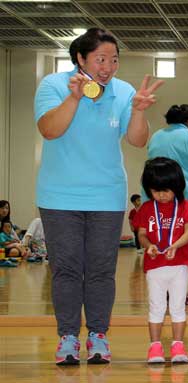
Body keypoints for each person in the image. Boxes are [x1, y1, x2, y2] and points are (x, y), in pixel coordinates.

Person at [34, 27, 164, 365]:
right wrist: (74, 97)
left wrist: (138, 110)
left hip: (106, 197)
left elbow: (137, 141)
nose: (107, 67)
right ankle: (66, 338)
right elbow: (50, 129)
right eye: (100, 59)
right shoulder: (52, 85)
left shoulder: (122, 91)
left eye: (114, 60)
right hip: (59, 197)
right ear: (81, 58)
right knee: (65, 270)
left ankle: (97, 336)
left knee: (101, 271)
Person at [135, 157, 188, 364]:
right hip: (155, 266)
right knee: (156, 306)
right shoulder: (146, 209)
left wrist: (175, 246)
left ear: (177, 186)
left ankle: (177, 345)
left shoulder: (186, 206)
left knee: (178, 306)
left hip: (179, 265)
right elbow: (142, 234)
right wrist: (149, 246)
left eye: (166, 190)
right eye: (156, 190)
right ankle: (155, 347)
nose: (161, 195)